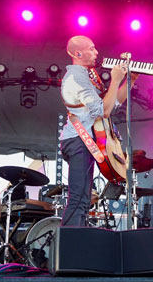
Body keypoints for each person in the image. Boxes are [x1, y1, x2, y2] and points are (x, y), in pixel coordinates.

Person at [59, 35, 138, 226]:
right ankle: (68, 249)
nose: (96, 52)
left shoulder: (87, 75)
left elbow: (112, 102)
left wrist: (129, 81)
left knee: (84, 200)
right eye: (92, 49)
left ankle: (77, 245)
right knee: (78, 199)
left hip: (85, 140)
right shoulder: (76, 78)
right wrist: (114, 80)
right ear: (78, 53)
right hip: (78, 140)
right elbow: (104, 110)